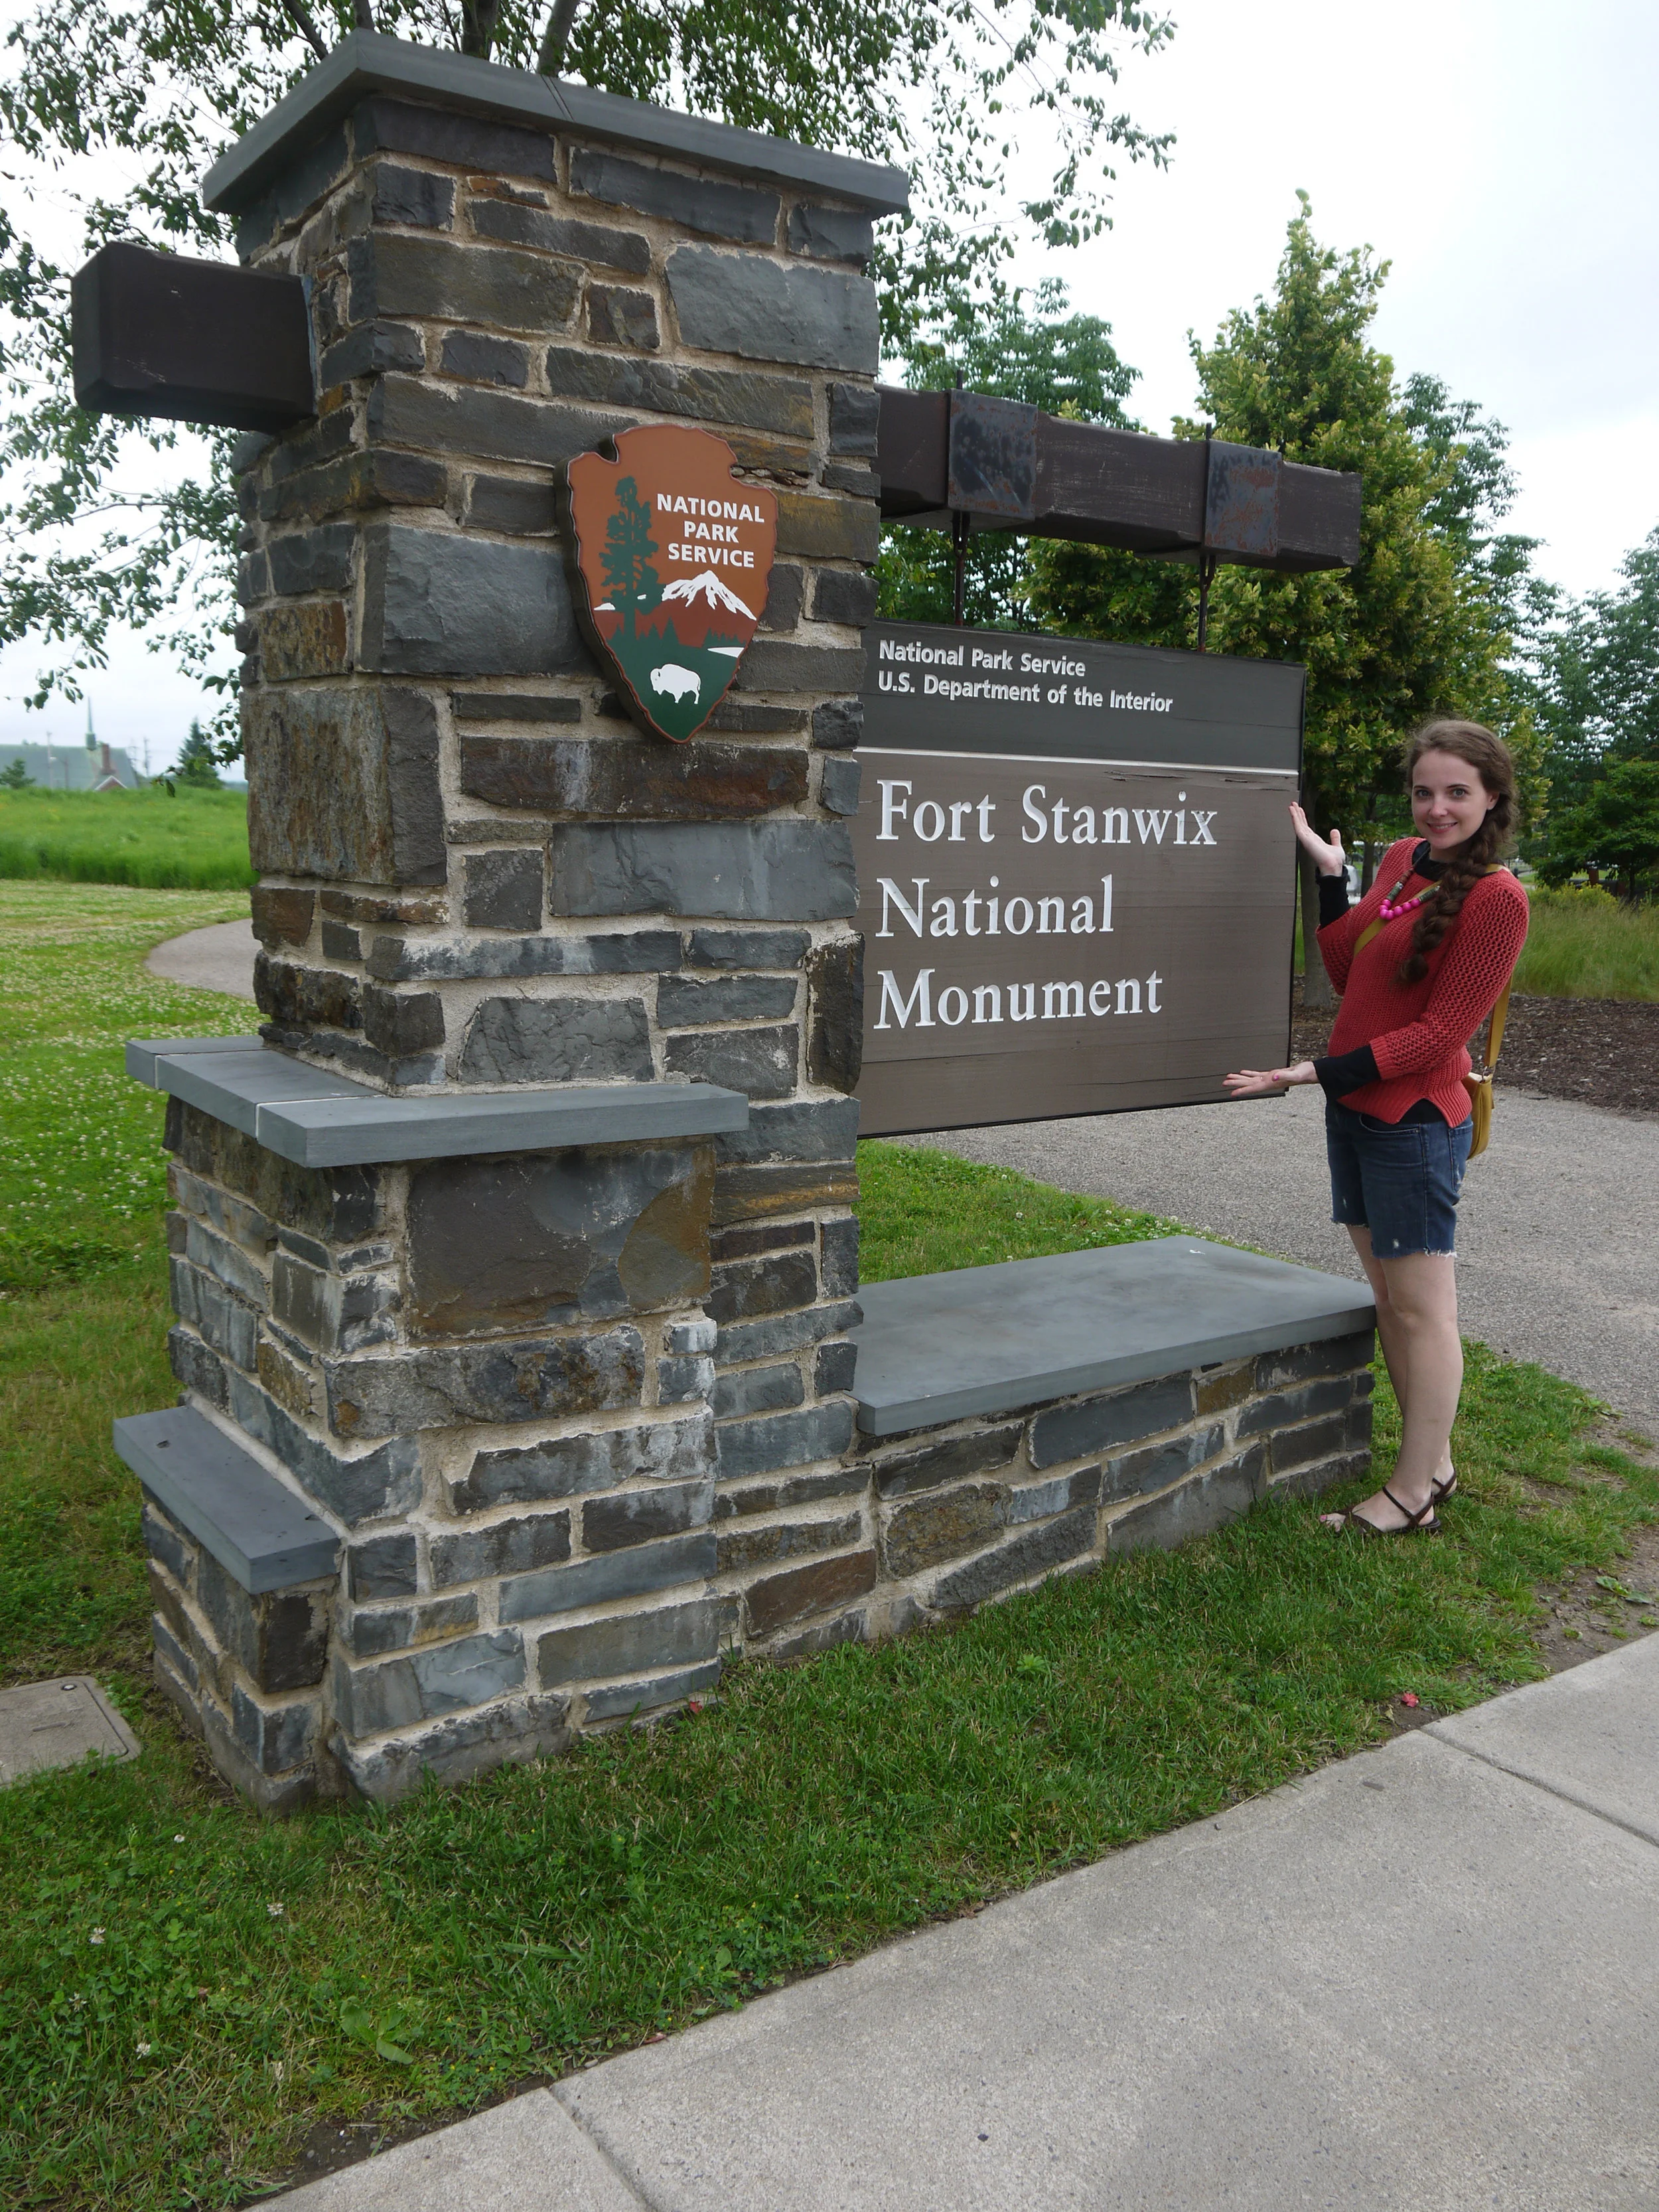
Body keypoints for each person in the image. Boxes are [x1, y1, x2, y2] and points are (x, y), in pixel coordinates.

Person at [1223, 720, 1530, 1535]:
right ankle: (1431, 1464)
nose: (1436, 808)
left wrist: (1311, 1071)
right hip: (1356, 1111)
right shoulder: (1399, 860)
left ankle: (1413, 1490)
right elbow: (1346, 972)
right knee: (1390, 1300)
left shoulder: (1498, 899)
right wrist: (1331, 880)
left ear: (1491, 797)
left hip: (1414, 1122)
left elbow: (1436, 1037)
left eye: (1456, 792)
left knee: (1426, 1310)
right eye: (1424, 791)